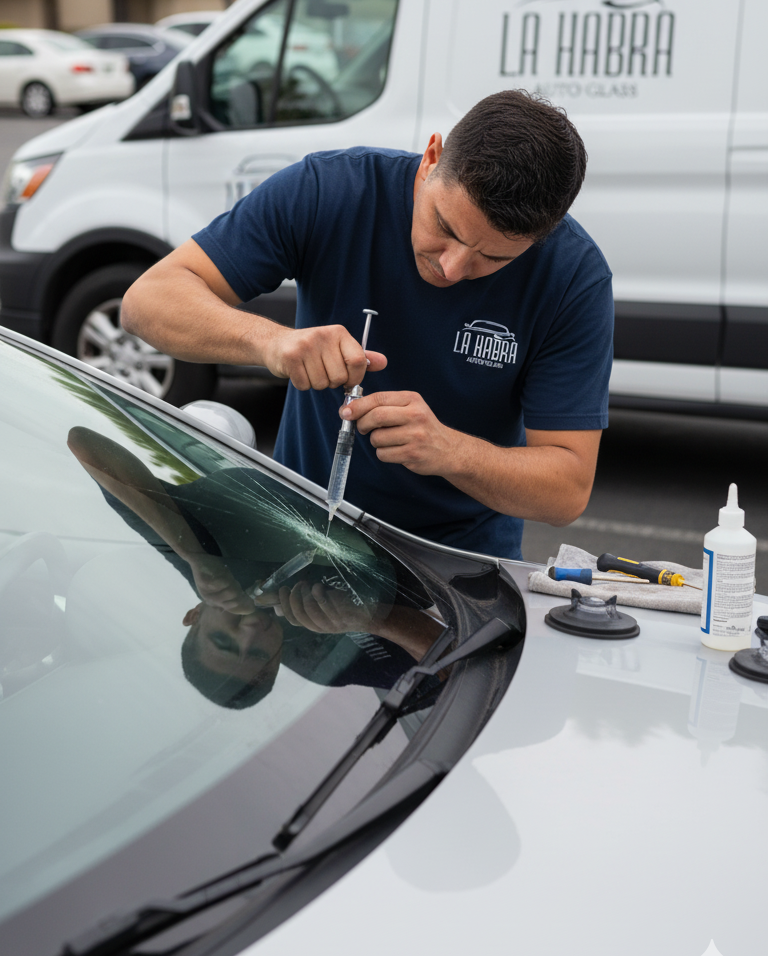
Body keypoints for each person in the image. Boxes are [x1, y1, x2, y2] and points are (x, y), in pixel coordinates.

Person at [122, 90, 613, 561]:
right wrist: (271, 342)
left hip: (457, 568)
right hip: (300, 533)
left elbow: (566, 489)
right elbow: (148, 301)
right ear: (432, 157)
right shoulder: (331, 190)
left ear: (542, 237)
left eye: (492, 257)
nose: (453, 267)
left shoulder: (573, 276)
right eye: (445, 228)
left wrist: (449, 451)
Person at [67, 426, 444, 709]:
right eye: (259, 655)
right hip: (431, 494)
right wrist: (374, 620)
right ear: (279, 661)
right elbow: (454, 668)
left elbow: (85, 445)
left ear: (194, 616)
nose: (248, 633)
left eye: (223, 641)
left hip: (338, 431)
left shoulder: (199, 558)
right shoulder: (321, 662)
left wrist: (194, 556)